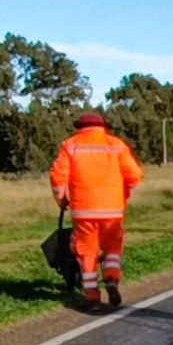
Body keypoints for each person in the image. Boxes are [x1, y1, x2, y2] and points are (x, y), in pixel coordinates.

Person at [49, 112, 144, 308]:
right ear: (103, 126)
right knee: (113, 247)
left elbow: (57, 177)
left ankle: (92, 294)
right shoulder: (116, 145)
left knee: (87, 251)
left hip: (83, 209)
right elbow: (134, 175)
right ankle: (111, 277)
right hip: (112, 209)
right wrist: (125, 193)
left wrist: (62, 199)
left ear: (80, 127)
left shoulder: (71, 145)